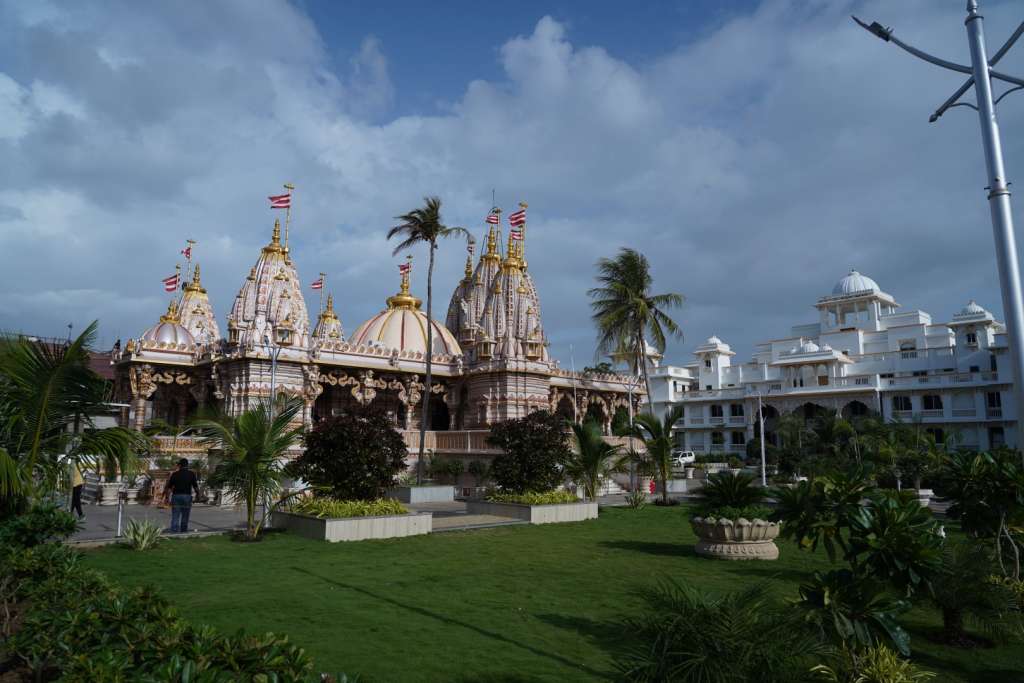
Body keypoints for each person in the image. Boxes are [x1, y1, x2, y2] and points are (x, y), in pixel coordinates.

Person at [164, 458, 200, 533]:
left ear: (179, 465)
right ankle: (183, 532)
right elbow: (195, 487)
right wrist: (198, 495)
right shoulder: (191, 474)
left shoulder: (175, 474)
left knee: (175, 515)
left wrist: (167, 497)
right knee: (185, 516)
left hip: (176, 496)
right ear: (187, 465)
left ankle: (174, 531)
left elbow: (169, 488)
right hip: (187, 496)